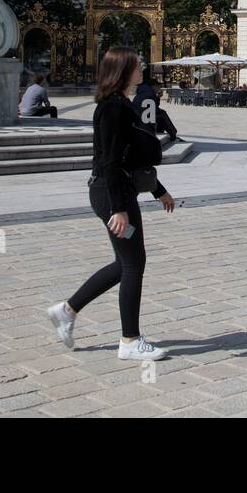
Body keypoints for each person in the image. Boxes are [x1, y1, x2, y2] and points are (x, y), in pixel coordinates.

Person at [47, 47, 175, 361]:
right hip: (111, 193)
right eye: (136, 64)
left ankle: (67, 310)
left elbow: (130, 159)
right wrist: (118, 208)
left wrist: (158, 191)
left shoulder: (120, 104)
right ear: (123, 70)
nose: (141, 67)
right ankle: (129, 340)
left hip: (117, 191)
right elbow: (112, 162)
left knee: (126, 263)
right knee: (134, 264)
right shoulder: (113, 108)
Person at [135, 65, 181, 142]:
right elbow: (154, 109)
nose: (159, 88)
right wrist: (157, 98)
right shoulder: (150, 93)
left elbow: (152, 106)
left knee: (160, 114)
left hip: (140, 114)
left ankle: (166, 132)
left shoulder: (143, 91)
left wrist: (157, 97)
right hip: (142, 117)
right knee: (162, 114)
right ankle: (173, 134)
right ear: (153, 86)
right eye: (158, 86)